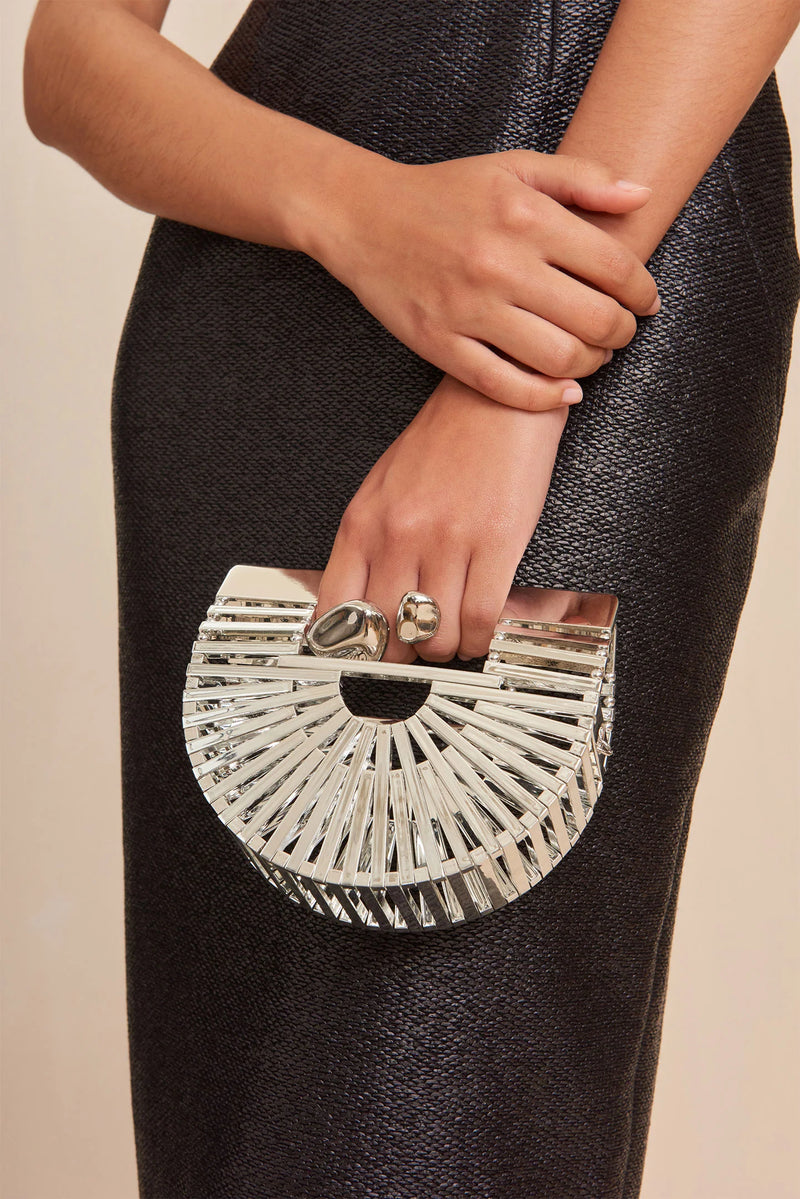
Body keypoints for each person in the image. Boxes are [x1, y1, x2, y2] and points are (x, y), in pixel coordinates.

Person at [23, 1, 800, 1196]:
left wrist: (517, 372)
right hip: (258, 265)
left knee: (437, 1082)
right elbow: (71, 59)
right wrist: (358, 211)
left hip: (582, 231)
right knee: (234, 1108)